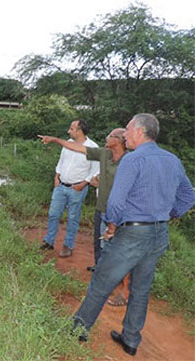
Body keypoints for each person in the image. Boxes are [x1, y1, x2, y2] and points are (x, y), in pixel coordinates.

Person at [73, 114, 195, 356]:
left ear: (139, 132)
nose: (124, 135)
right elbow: (189, 195)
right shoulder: (172, 160)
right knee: (140, 288)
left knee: (101, 282)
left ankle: (77, 330)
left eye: (127, 130)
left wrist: (111, 227)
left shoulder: (132, 160)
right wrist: (167, 215)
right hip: (158, 234)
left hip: (132, 234)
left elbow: (116, 203)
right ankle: (130, 340)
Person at [38, 128, 130, 306]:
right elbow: (76, 149)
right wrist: (55, 139)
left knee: (119, 250)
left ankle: (124, 289)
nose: (106, 137)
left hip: (120, 215)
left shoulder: (129, 161)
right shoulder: (104, 154)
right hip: (102, 209)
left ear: (119, 140)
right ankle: (103, 278)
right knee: (101, 245)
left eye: (110, 135)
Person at [39, 120, 99, 257]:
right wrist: (56, 176)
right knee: (53, 214)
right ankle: (49, 241)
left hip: (76, 189)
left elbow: (95, 170)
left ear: (79, 131)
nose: (68, 131)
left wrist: (83, 184)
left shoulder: (92, 147)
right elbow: (61, 161)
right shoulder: (67, 144)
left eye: (71, 128)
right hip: (60, 186)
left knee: (73, 217)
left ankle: (68, 245)